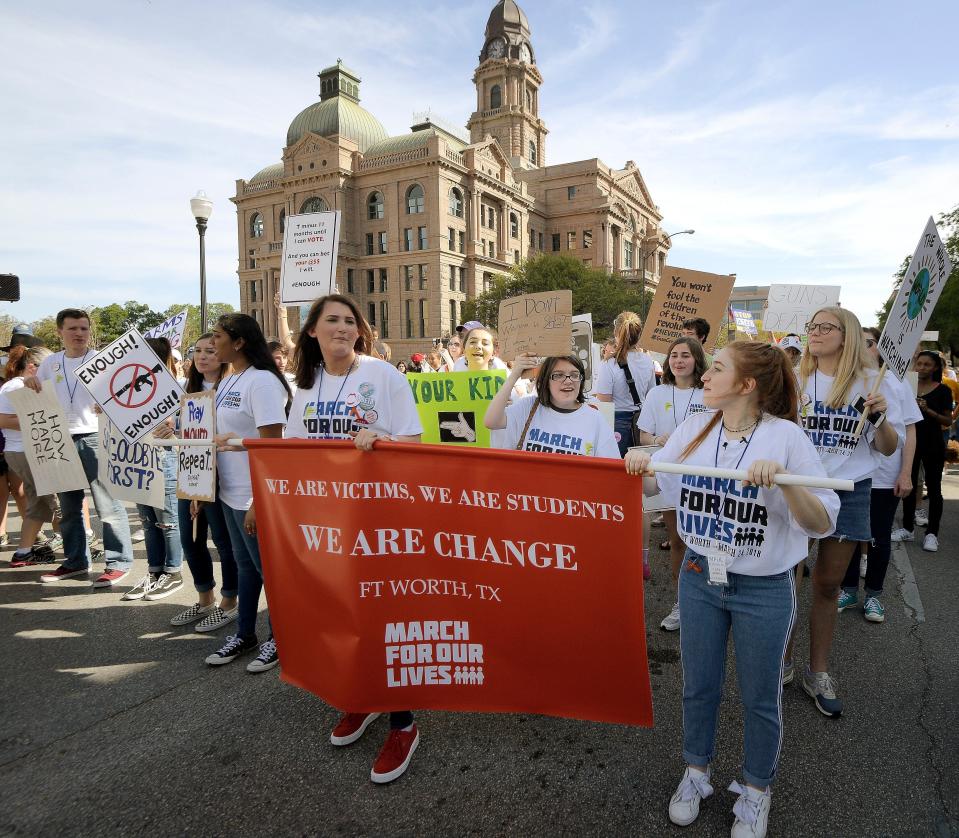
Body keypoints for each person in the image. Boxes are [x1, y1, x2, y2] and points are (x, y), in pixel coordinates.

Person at [625, 341, 839, 838]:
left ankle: (756, 789)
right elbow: (657, 491)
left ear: (747, 384)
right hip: (700, 577)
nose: (704, 375)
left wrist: (786, 484)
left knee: (760, 694)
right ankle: (695, 773)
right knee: (699, 684)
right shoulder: (695, 428)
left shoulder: (785, 437)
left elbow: (824, 520)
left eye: (716, 368)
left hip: (763, 587)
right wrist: (640, 467)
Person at [286, 294, 423, 785]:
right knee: (341, 614)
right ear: (312, 331)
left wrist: (377, 442)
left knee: (385, 619)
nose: (343, 328)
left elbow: (413, 440)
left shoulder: (382, 375)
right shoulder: (304, 383)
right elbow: (291, 451)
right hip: (327, 522)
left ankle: (403, 722)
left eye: (350, 321)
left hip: (379, 518)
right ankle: (362, 700)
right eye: (333, 321)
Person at [789, 306, 899, 718]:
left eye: (825, 327)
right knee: (785, 579)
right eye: (811, 325)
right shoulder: (795, 378)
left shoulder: (872, 383)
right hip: (798, 487)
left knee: (828, 585)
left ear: (846, 334)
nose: (815, 332)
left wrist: (881, 419)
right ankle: (782, 662)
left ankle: (817, 672)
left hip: (850, 490)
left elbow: (887, 448)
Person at [204, 313, 290, 673]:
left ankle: (281, 638)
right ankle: (245, 633)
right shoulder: (228, 379)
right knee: (245, 567)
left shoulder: (263, 383)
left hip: (253, 495)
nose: (213, 343)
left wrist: (258, 499)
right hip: (228, 492)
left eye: (219, 336)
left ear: (238, 342)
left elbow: (274, 444)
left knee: (269, 570)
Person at [26, 309, 134, 586]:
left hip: (95, 437)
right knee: (69, 506)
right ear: (60, 331)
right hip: (60, 438)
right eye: (73, 328)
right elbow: (38, 390)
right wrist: (30, 381)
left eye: (84, 329)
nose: (79, 334)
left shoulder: (101, 360)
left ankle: (118, 562)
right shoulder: (51, 362)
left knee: (107, 503)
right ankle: (75, 561)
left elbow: (124, 393)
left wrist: (109, 404)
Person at [840, 327, 920, 621]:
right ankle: (847, 590)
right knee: (845, 536)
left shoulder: (896, 384)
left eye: (869, 343)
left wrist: (906, 473)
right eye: (855, 343)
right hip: (853, 474)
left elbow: (909, 430)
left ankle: (873, 595)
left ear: (879, 348)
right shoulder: (844, 381)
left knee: (877, 537)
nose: (862, 348)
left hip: (886, 476)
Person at [166, 334, 239, 631]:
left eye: (210, 350)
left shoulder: (234, 388)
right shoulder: (185, 390)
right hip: (192, 474)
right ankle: (204, 597)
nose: (203, 356)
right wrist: (167, 430)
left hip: (225, 476)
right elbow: (178, 431)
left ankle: (230, 601)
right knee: (190, 539)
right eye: (197, 350)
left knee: (223, 542)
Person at [636, 336, 709, 631]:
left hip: (706, 478)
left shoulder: (709, 392)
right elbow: (643, 437)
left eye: (686, 355)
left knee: (707, 541)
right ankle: (682, 602)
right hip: (669, 478)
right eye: (674, 355)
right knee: (678, 540)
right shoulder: (657, 393)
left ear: (697, 360)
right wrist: (657, 440)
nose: (678, 360)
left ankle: (711, 602)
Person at [122, 337, 184, 602]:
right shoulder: (127, 389)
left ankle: (174, 572)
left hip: (164, 458)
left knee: (168, 519)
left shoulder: (174, 388)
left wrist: (174, 424)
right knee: (148, 521)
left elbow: (188, 420)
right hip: (138, 460)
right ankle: (155, 571)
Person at [486, 353, 619, 457]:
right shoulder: (528, 407)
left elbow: (610, 469)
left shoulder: (595, 419)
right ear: (546, 381)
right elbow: (491, 421)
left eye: (574, 375)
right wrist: (514, 374)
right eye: (558, 375)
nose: (568, 381)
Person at [0, 346, 60, 566]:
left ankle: (23, 552)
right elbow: (4, 420)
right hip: (27, 452)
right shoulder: (16, 385)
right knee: (59, 502)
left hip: (25, 451)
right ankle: (79, 550)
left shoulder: (17, 385)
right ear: (33, 367)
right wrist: (46, 422)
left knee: (38, 504)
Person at [895, 351, 952, 552]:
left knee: (934, 488)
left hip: (933, 444)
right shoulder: (907, 387)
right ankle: (908, 529)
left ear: (936, 367)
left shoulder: (943, 390)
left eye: (927, 365)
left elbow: (948, 421)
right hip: (911, 443)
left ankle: (931, 534)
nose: (922, 368)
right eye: (919, 364)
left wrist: (928, 410)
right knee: (908, 486)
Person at [594, 311, 656, 456]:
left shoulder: (609, 363)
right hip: (641, 422)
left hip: (616, 421)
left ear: (616, 333)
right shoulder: (648, 360)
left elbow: (604, 403)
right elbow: (651, 394)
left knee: (616, 466)